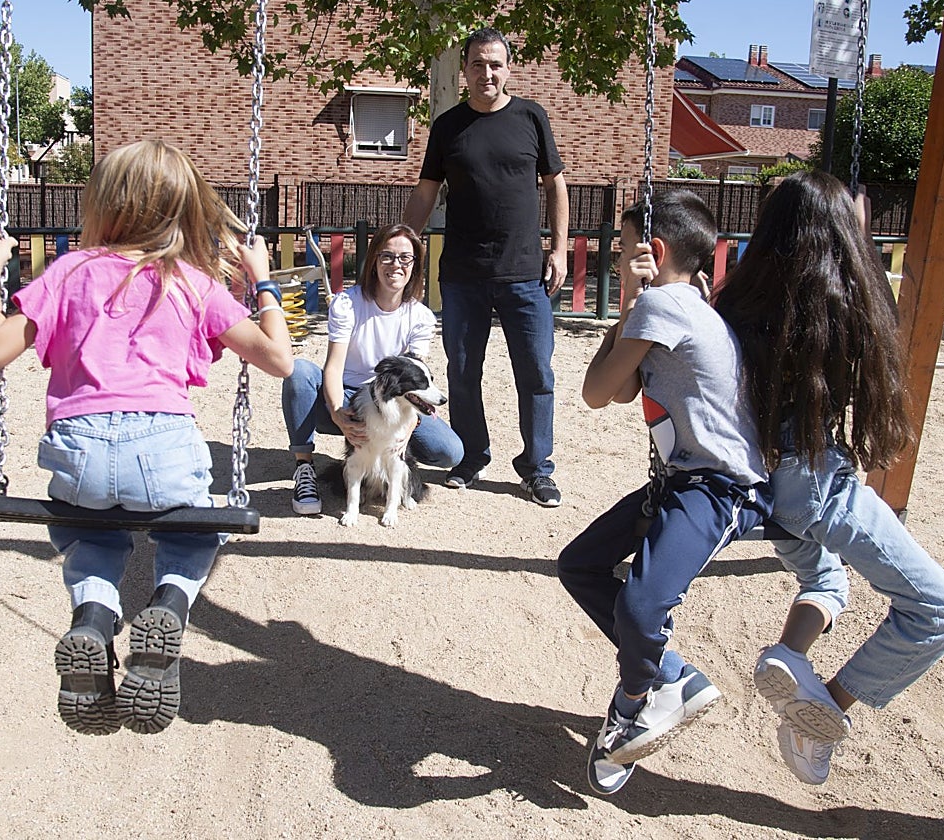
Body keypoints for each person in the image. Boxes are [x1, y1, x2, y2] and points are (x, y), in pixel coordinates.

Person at [0, 139, 294, 736]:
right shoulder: (195, 283)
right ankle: (169, 606)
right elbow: (279, 359)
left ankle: (94, 619)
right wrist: (263, 281)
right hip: (165, 449)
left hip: (79, 453)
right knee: (197, 525)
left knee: (90, 532)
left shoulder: (69, 270)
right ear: (181, 210)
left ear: (103, 203)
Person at [713, 170, 944, 786]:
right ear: (840, 238)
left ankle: (789, 655)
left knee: (827, 580)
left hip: (763, 488)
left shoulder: (736, 303)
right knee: (939, 610)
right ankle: (823, 707)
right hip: (815, 486)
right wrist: (855, 240)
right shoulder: (840, 307)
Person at [556, 190, 773, 796]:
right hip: (681, 479)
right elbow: (623, 392)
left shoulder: (663, 303)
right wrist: (634, 306)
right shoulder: (683, 302)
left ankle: (635, 699)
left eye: (624, 250)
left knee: (643, 607)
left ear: (653, 251)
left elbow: (596, 392)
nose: (617, 259)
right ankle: (672, 674)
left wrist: (631, 302)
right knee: (580, 565)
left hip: (720, 486)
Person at [402, 27, 568, 507]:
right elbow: (426, 191)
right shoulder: (448, 126)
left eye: (495, 64)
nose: (486, 73)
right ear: (465, 72)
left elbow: (556, 186)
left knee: (536, 372)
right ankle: (472, 455)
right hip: (463, 274)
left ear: (507, 68)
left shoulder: (531, 117)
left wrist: (558, 251)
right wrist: (405, 246)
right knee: (462, 370)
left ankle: (537, 468)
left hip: (524, 274)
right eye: (477, 64)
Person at [283, 223, 463, 514]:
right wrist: (338, 414)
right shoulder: (348, 304)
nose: (396, 265)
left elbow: (415, 381)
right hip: (350, 397)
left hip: (394, 403)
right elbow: (333, 368)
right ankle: (304, 467)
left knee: (449, 452)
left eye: (405, 257)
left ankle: (387, 466)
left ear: (415, 265)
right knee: (300, 372)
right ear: (374, 261)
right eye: (387, 256)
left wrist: (409, 426)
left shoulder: (420, 316)